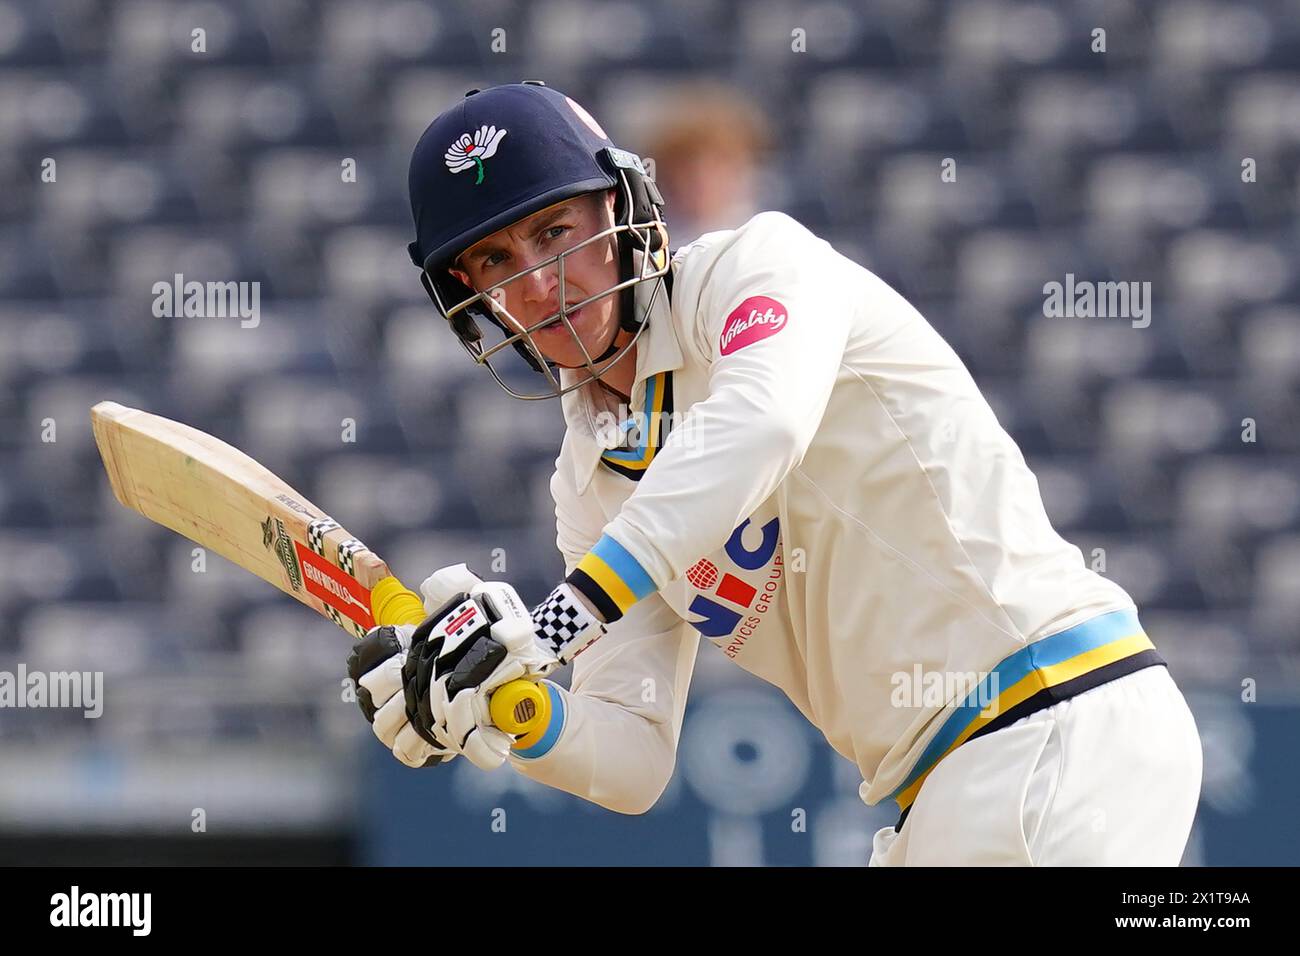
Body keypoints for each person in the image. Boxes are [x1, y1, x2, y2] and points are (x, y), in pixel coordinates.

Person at [346, 81, 1203, 865]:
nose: (537, 283)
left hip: (1054, 721)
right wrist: (507, 704)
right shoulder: (589, 480)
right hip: (950, 787)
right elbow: (635, 753)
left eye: (554, 233)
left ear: (624, 209)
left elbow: (764, 422)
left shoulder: (755, 268)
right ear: (467, 294)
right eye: (495, 261)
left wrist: (553, 624)